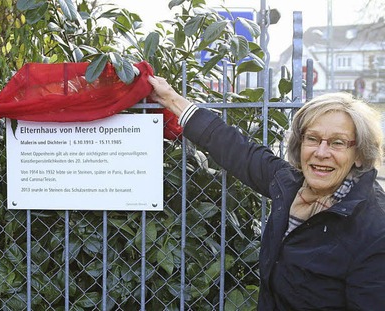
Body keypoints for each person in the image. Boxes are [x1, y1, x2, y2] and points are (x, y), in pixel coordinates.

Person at [148, 75, 385, 310]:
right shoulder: (291, 184)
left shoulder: (375, 229)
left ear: (361, 154)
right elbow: (237, 150)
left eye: (337, 143)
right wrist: (170, 98)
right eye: (312, 139)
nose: (321, 152)